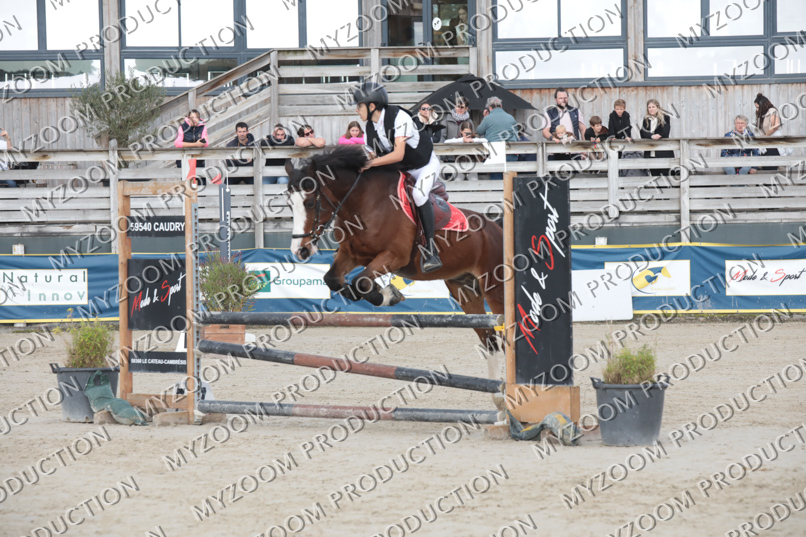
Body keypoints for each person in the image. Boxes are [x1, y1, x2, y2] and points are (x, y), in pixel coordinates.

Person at [354, 80, 442, 272]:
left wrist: (370, 164)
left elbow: (398, 154)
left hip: (425, 165)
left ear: (371, 106)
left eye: (359, 106)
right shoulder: (369, 130)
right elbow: (374, 158)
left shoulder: (399, 117)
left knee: (419, 194)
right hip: (401, 169)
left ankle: (431, 250)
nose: (356, 110)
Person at [477, 96, 518, 180]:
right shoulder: (511, 117)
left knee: (496, 180)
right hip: (511, 153)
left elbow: (479, 131)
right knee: (510, 181)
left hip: (495, 153)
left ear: (489, 107)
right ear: (501, 106)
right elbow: (516, 133)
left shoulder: (487, 119)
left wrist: (484, 117)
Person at [542, 88, 586, 162]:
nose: (563, 100)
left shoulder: (576, 111)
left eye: (565, 98)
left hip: (574, 151)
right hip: (555, 152)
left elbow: (583, 129)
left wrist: (585, 148)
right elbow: (545, 131)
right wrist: (553, 138)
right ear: (556, 99)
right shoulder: (549, 113)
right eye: (560, 98)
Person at [640, 99, 673, 177]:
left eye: (653, 107)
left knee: (665, 176)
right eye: (649, 107)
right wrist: (651, 136)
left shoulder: (665, 117)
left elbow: (665, 132)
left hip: (663, 152)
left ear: (657, 107)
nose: (651, 109)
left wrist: (657, 135)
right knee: (654, 175)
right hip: (650, 153)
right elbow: (642, 132)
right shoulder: (646, 119)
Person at [174, 109, 209, 177]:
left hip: (198, 160)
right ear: (189, 118)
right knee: (186, 181)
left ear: (199, 119)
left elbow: (206, 143)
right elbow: (177, 143)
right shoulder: (182, 127)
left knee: (200, 181)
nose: (194, 119)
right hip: (184, 160)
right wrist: (196, 144)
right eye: (192, 117)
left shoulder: (203, 127)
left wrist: (202, 142)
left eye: (196, 117)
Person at [754, 93, 782, 171]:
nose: (757, 110)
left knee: (771, 167)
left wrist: (765, 136)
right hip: (765, 144)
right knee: (764, 167)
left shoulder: (772, 111)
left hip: (773, 143)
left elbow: (775, 126)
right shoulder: (763, 114)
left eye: (758, 107)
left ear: (763, 105)